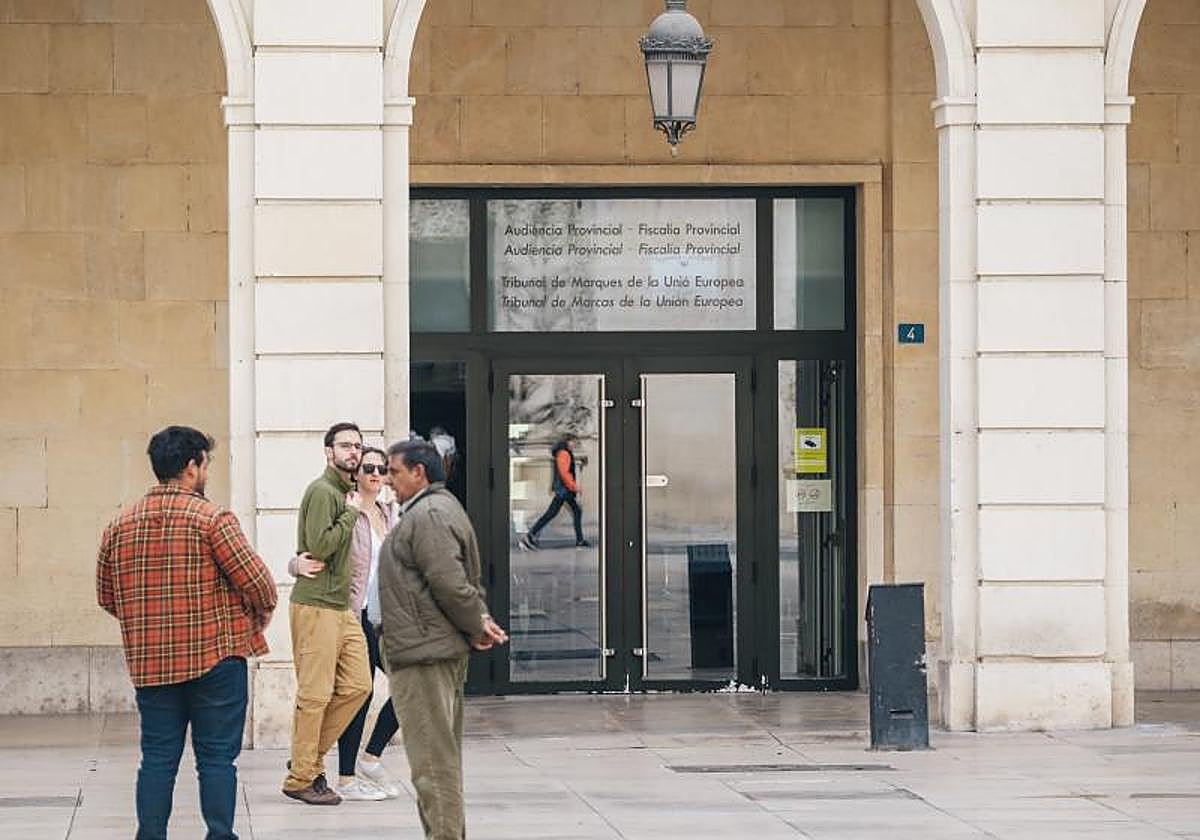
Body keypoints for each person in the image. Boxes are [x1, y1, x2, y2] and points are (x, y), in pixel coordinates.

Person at [96, 426, 277, 840]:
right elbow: (259, 583)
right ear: (192, 466)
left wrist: (148, 621)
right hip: (214, 659)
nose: (206, 470)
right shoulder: (212, 518)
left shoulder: (119, 525)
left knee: (157, 758)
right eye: (205, 463)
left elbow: (108, 596)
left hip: (152, 664)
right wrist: (256, 616)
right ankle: (218, 834)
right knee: (216, 760)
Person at [377, 439, 508, 839]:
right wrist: (478, 622)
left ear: (419, 472)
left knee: (433, 765)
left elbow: (451, 584)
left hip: (425, 656)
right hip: (425, 650)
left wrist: (476, 624)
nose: (387, 480)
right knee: (437, 762)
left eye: (394, 472)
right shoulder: (428, 510)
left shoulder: (430, 513)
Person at [289, 446, 400, 801]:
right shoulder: (345, 507)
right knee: (353, 693)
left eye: (382, 468)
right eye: (368, 466)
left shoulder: (388, 512)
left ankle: (352, 759)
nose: (375, 473)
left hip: (383, 618)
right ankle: (347, 778)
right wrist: (295, 564)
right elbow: (319, 548)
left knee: (401, 687)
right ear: (356, 472)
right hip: (351, 612)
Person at [282, 422, 373, 806]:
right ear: (328, 451)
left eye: (358, 446)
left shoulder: (347, 493)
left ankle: (307, 759)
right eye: (346, 445)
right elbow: (320, 547)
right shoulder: (323, 492)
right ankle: (301, 777)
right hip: (317, 605)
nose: (353, 452)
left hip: (341, 608)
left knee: (358, 686)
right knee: (315, 695)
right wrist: (351, 514)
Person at [521, 434, 588, 549]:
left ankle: (580, 540)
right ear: (568, 441)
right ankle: (529, 536)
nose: (575, 445)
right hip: (564, 490)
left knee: (571, 512)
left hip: (563, 490)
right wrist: (574, 487)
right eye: (574, 442)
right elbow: (564, 473)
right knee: (553, 514)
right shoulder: (564, 453)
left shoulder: (563, 452)